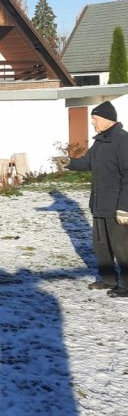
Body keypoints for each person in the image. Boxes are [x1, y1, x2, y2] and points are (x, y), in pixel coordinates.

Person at [67, 101, 128, 297]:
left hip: (117, 206)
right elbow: (88, 162)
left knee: (122, 248)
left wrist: (124, 208)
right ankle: (108, 279)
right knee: (101, 245)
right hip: (99, 203)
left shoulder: (123, 141)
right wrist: (69, 163)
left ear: (107, 119)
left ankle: (126, 286)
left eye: (95, 119)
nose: (92, 123)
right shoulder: (101, 141)